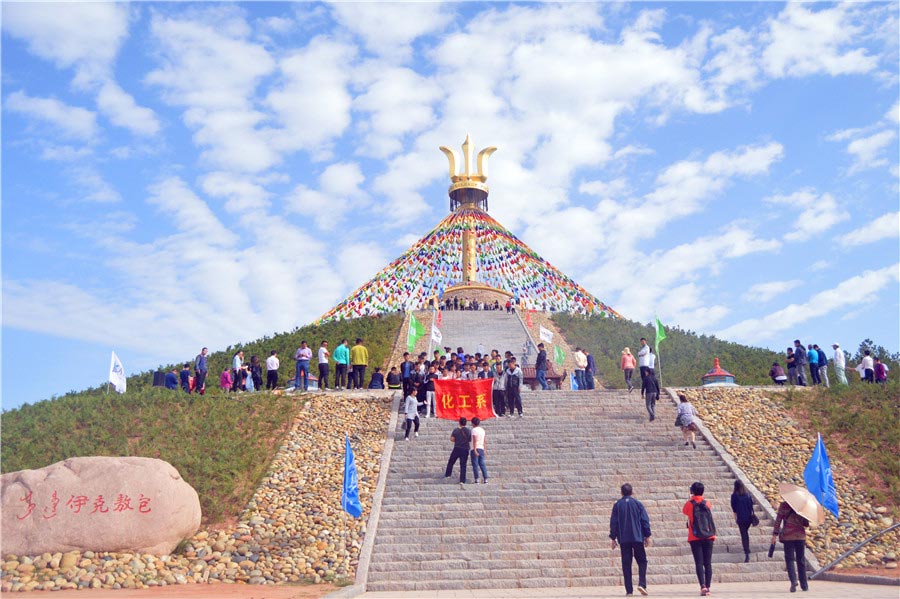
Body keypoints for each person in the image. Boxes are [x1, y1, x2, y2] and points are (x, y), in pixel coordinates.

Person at [609, 483, 651, 597]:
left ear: (621, 493)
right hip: (637, 537)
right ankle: (642, 584)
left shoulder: (617, 505)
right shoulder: (638, 504)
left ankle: (629, 591)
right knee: (642, 561)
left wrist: (613, 537)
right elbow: (644, 520)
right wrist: (647, 535)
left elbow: (614, 522)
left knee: (626, 564)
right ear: (632, 492)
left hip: (624, 539)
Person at [683, 481, 716, 597]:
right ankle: (708, 587)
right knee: (708, 563)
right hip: (708, 535)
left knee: (699, 563)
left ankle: (702, 586)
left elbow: (684, 511)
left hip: (694, 536)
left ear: (692, 491)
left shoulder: (689, 504)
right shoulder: (707, 503)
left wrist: (690, 498)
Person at [772, 498, 810, 592]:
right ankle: (804, 585)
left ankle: (793, 581)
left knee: (790, 560)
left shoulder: (784, 506)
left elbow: (778, 521)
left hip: (788, 536)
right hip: (800, 536)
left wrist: (775, 535)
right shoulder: (801, 506)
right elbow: (806, 524)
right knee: (801, 560)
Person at [731, 480, 755, 563]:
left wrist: (735, 518)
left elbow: (734, 508)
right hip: (748, 518)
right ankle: (747, 548)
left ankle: (747, 552)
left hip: (741, 518)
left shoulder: (734, 496)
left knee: (744, 534)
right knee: (745, 533)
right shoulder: (748, 495)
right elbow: (751, 505)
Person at [445, 417, 471, 486]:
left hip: (457, 448)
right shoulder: (468, 431)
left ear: (459, 422)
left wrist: (457, 440)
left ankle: (448, 475)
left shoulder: (456, 430)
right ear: (466, 423)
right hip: (465, 449)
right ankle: (462, 480)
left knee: (451, 462)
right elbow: (470, 439)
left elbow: (452, 439)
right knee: (463, 465)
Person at [470, 417, 488, 484]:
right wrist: (485, 449)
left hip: (475, 448)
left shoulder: (474, 430)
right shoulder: (482, 430)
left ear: (473, 423)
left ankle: (477, 479)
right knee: (482, 464)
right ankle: (485, 478)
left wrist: (474, 449)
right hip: (481, 448)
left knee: (475, 464)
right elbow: (484, 441)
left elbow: (474, 440)